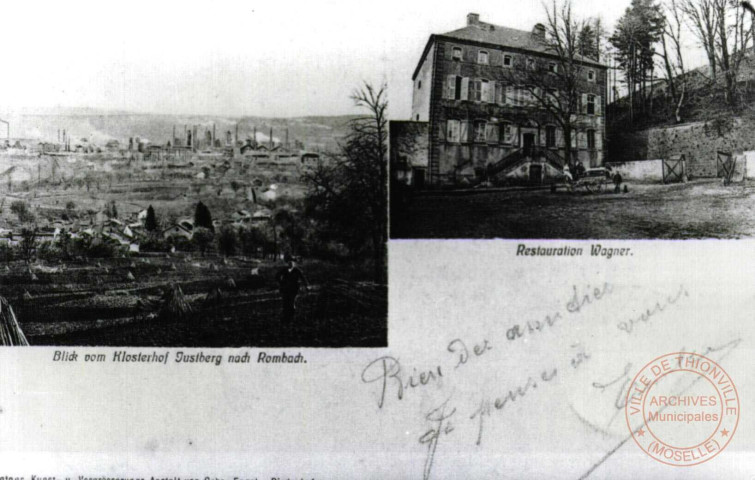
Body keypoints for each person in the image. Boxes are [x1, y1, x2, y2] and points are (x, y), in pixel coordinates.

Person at [277, 254, 309, 326]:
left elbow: (303, 278)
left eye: (292, 262)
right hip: (285, 289)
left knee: (291, 302)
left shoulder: (297, 271)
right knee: (285, 302)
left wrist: (306, 286)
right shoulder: (284, 270)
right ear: (287, 263)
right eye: (289, 262)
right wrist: (281, 282)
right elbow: (277, 276)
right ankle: (285, 317)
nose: (290, 263)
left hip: (293, 289)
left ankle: (290, 317)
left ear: (294, 263)